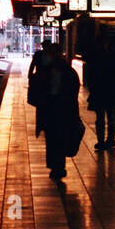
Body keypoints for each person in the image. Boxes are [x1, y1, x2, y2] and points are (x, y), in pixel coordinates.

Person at [36, 43, 82, 180]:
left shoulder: (66, 72)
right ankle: (56, 166)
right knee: (52, 139)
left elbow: (73, 93)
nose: (53, 56)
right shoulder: (50, 71)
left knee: (58, 139)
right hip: (52, 108)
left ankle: (58, 167)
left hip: (62, 109)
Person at [84, 31, 115, 150]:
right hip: (110, 91)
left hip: (99, 92)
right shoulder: (112, 56)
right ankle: (110, 139)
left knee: (100, 118)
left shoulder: (95, 57)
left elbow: (91, 75)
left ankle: (102, 140)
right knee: (110, 117)